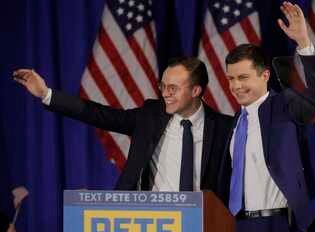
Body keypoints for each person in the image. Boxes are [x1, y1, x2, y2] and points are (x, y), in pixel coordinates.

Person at [217, 2, 315, 232]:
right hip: (240, 230)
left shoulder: (284, 106)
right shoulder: (235, 122)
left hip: (281, 229)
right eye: (231, 79)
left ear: (265, 75)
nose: (235, 86)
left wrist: (303, 42)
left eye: (243, 77)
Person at [13, 57, 233, 194]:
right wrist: (46, 94)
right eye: (163, 86)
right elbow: (98, 114)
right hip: (150, 223)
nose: (165, 93)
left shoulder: (224, 128)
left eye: (173, 88)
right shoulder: (150, 115)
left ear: (195, 91)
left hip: (203, 229)